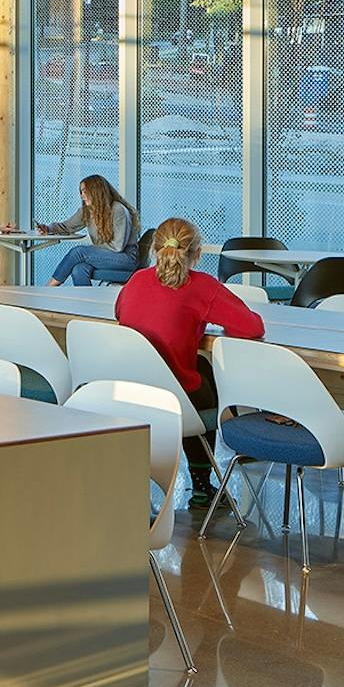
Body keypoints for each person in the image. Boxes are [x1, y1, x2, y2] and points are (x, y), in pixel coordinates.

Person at [113, 217, 262, 510]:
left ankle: (198, 482)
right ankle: (202, 485)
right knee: (205, 378)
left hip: (130, 390)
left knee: (201, 368)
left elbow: (120, 311)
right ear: (197, 253)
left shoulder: (137, 280)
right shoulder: (202, 286)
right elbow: (252, 327)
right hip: (174, 396)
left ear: (155, 250)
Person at [41, 174, 140, 287]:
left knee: (78, 252)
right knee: (79, 269)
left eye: (85, 191)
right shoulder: (88, 211)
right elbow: (66, 226)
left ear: (96, 191)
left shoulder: (118, 210)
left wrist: (89, 251)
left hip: (126, 259)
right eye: (81, 192)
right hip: (108, 257)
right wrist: (48, 228)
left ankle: (49, 287)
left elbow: (118, 246)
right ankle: (86, 303)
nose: (82, 196)